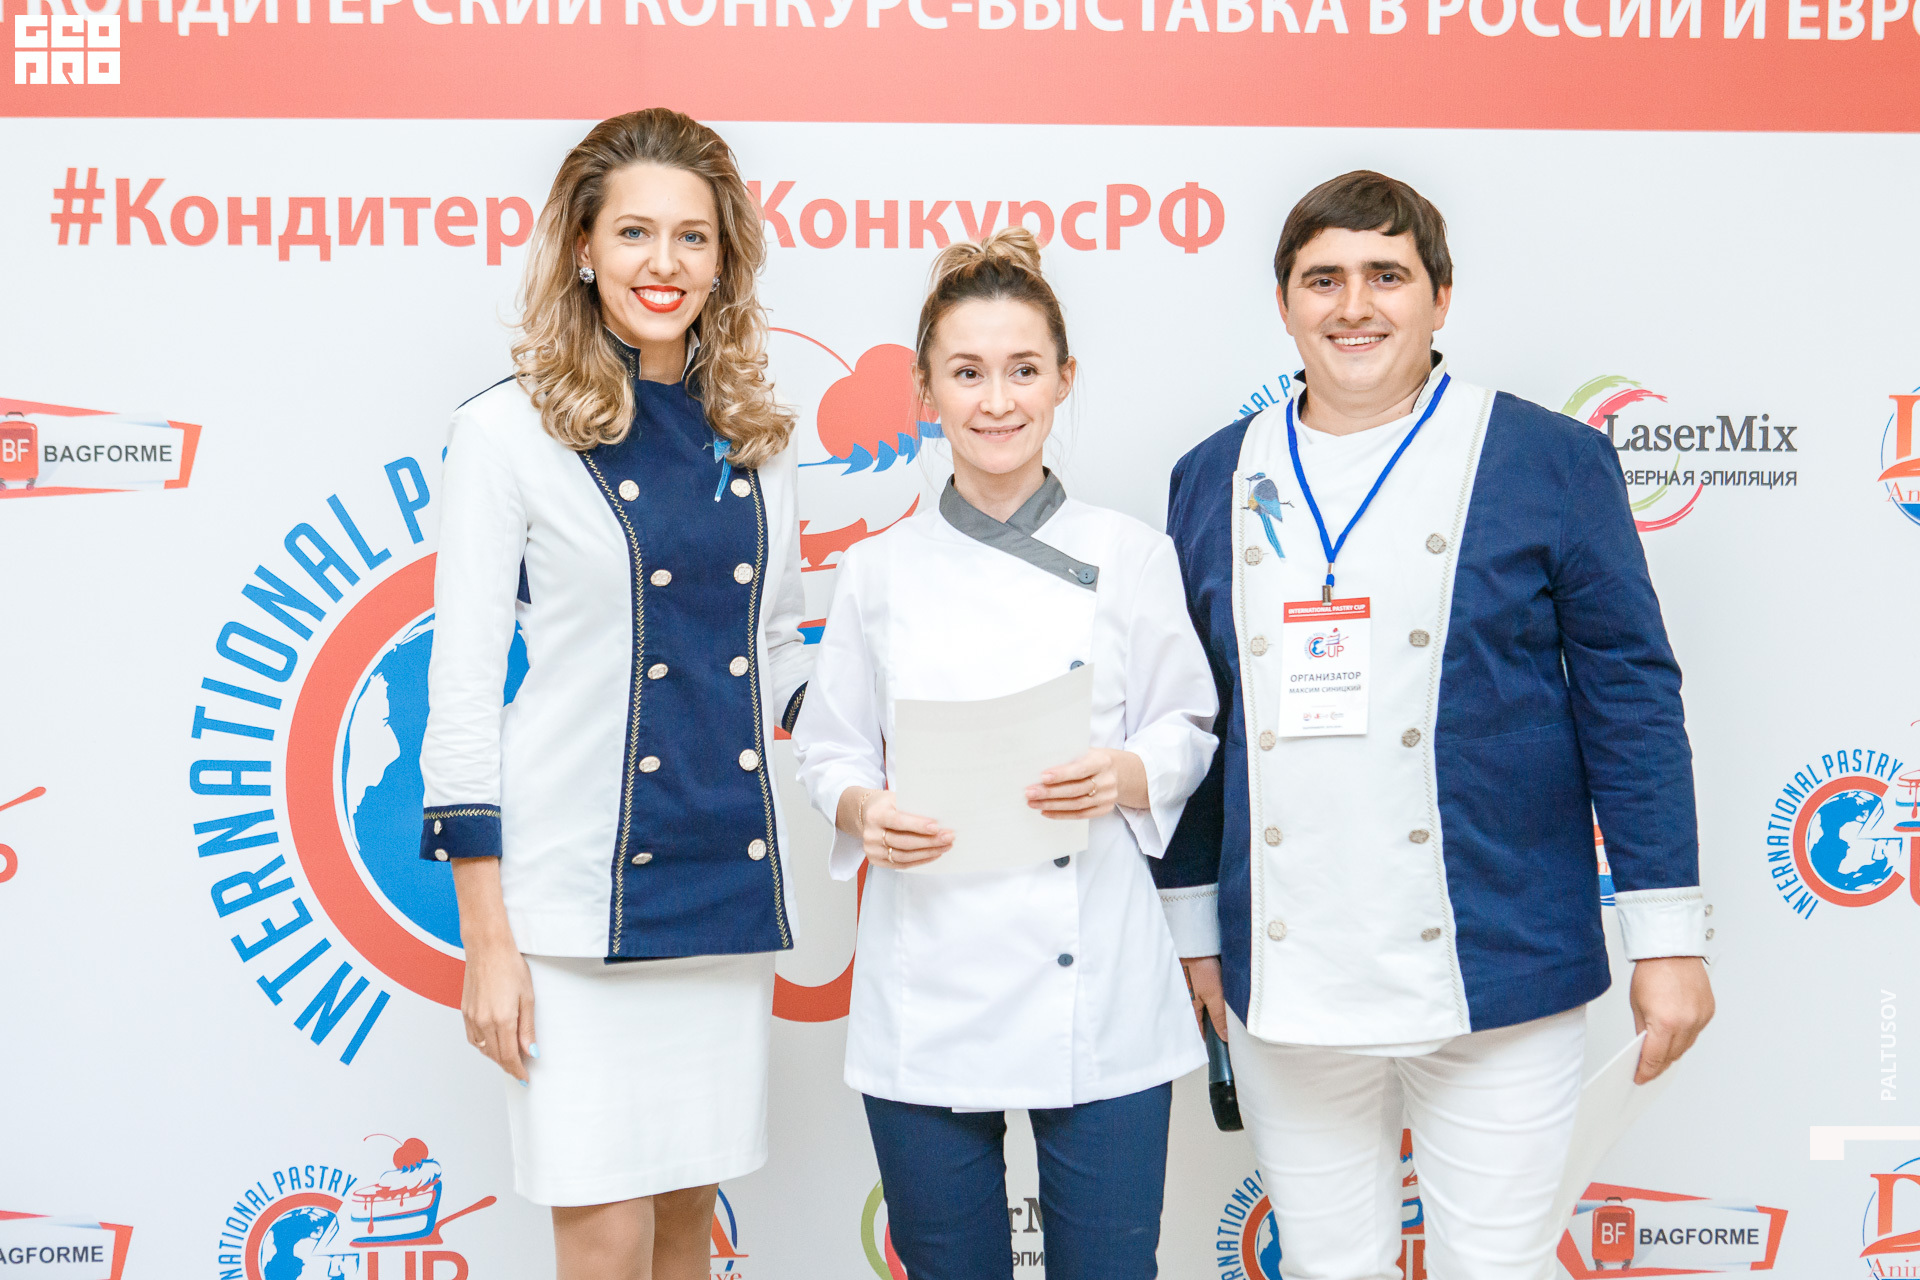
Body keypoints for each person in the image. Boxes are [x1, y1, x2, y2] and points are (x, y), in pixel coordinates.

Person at [1157, 171, 1716, 1280]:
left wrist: (1668, 940)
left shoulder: (1550, 461)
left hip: (1501, 957)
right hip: (1286, 965)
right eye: (1323, 279)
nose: (1354, 305)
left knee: (1497, 1264)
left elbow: (1631, 700)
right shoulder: (1211, 474)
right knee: (1328, 1265)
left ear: (1440, 297)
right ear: (1285, 304)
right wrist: (1192, 927)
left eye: (1387, 275)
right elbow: (1193, 714)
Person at [417, 108, 810, 1280]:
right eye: (634, 231)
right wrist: (488, 940)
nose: (663, 262)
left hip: (720, 886)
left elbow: (775, 644)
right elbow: (462, 690)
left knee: (688, 1224)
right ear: (583, 246)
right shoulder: (504, 432)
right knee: (601, 1233)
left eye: (693, 236)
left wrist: (885, 730)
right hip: (571, 907)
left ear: (725, 258)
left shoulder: (758, 435)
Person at [792, 228, 1219, 1280]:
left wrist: (1125, 773)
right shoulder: (878, 569)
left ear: (1064, 380)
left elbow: (1187, 725)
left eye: (1024, 370)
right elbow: (830, 750)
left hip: (1100, 982)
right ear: (924, 389)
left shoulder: (1130, 553)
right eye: (968, 372)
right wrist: (864, 810)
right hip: (926, 981)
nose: (996, 401)